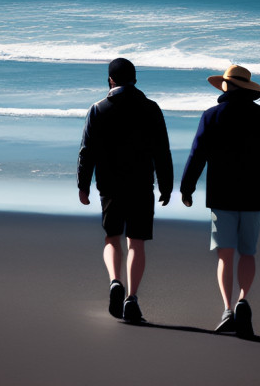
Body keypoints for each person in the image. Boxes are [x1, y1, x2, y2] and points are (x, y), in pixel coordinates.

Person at [180, 64, 260, 338]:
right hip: (255, 196)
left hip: (221, 194)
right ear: (247, 89)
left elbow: (197, 155)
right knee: (248, 252)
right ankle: (243, 300)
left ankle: (227, 309)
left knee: (225, 253)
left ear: (226, 86)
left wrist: (186, 188)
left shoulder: (211, 116)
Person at [77, 57, 173, 324]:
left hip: (109, 185)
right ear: (135, 79)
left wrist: (83, 186)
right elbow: (162, 151)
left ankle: (114, 281)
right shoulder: (151, 108)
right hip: (142, 184)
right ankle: (132, 298)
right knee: (136, 242)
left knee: (112, 237)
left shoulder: (98, 109)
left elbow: (87, 152)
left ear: (110, 80)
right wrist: (167, 185)